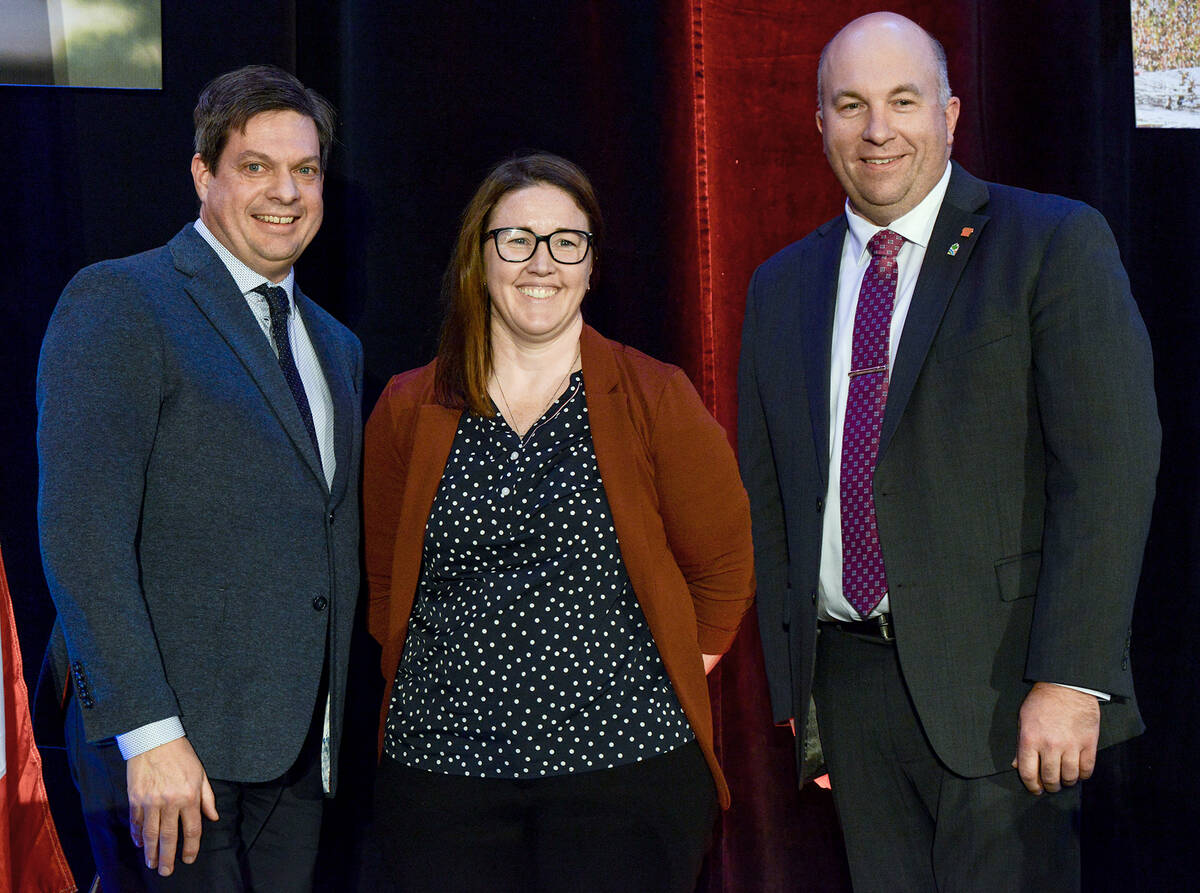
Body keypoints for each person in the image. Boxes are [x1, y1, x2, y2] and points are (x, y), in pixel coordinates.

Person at [737, 12, 1159, 892]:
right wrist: (802, 702)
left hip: (1007, 692)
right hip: (851, 695)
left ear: (951, 114)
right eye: (850, 105)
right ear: (820, 123)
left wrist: (1073, 678)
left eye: (902, 100)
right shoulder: (781, 286)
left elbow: (1109, 472)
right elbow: (770, 494)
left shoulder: (1050, 243)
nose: (877, 129)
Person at [362, 152, 754, 893]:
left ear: (590, 262)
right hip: (444, 780)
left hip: (623, 776)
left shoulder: (654, 395)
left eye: (566, 241)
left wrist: (649, 669)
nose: (541, 262)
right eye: (517, 239)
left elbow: (724, 571)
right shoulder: (410, 407)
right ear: (481, 255)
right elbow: (388, 590)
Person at [37, 64, 363, 891]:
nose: (285, 191)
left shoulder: (336, 345)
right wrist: (148, 735)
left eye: (306, 169)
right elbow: (82, 533)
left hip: (292, 754)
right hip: (169, 751)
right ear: (203, 174)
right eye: (255, 166)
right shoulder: (123, 300)